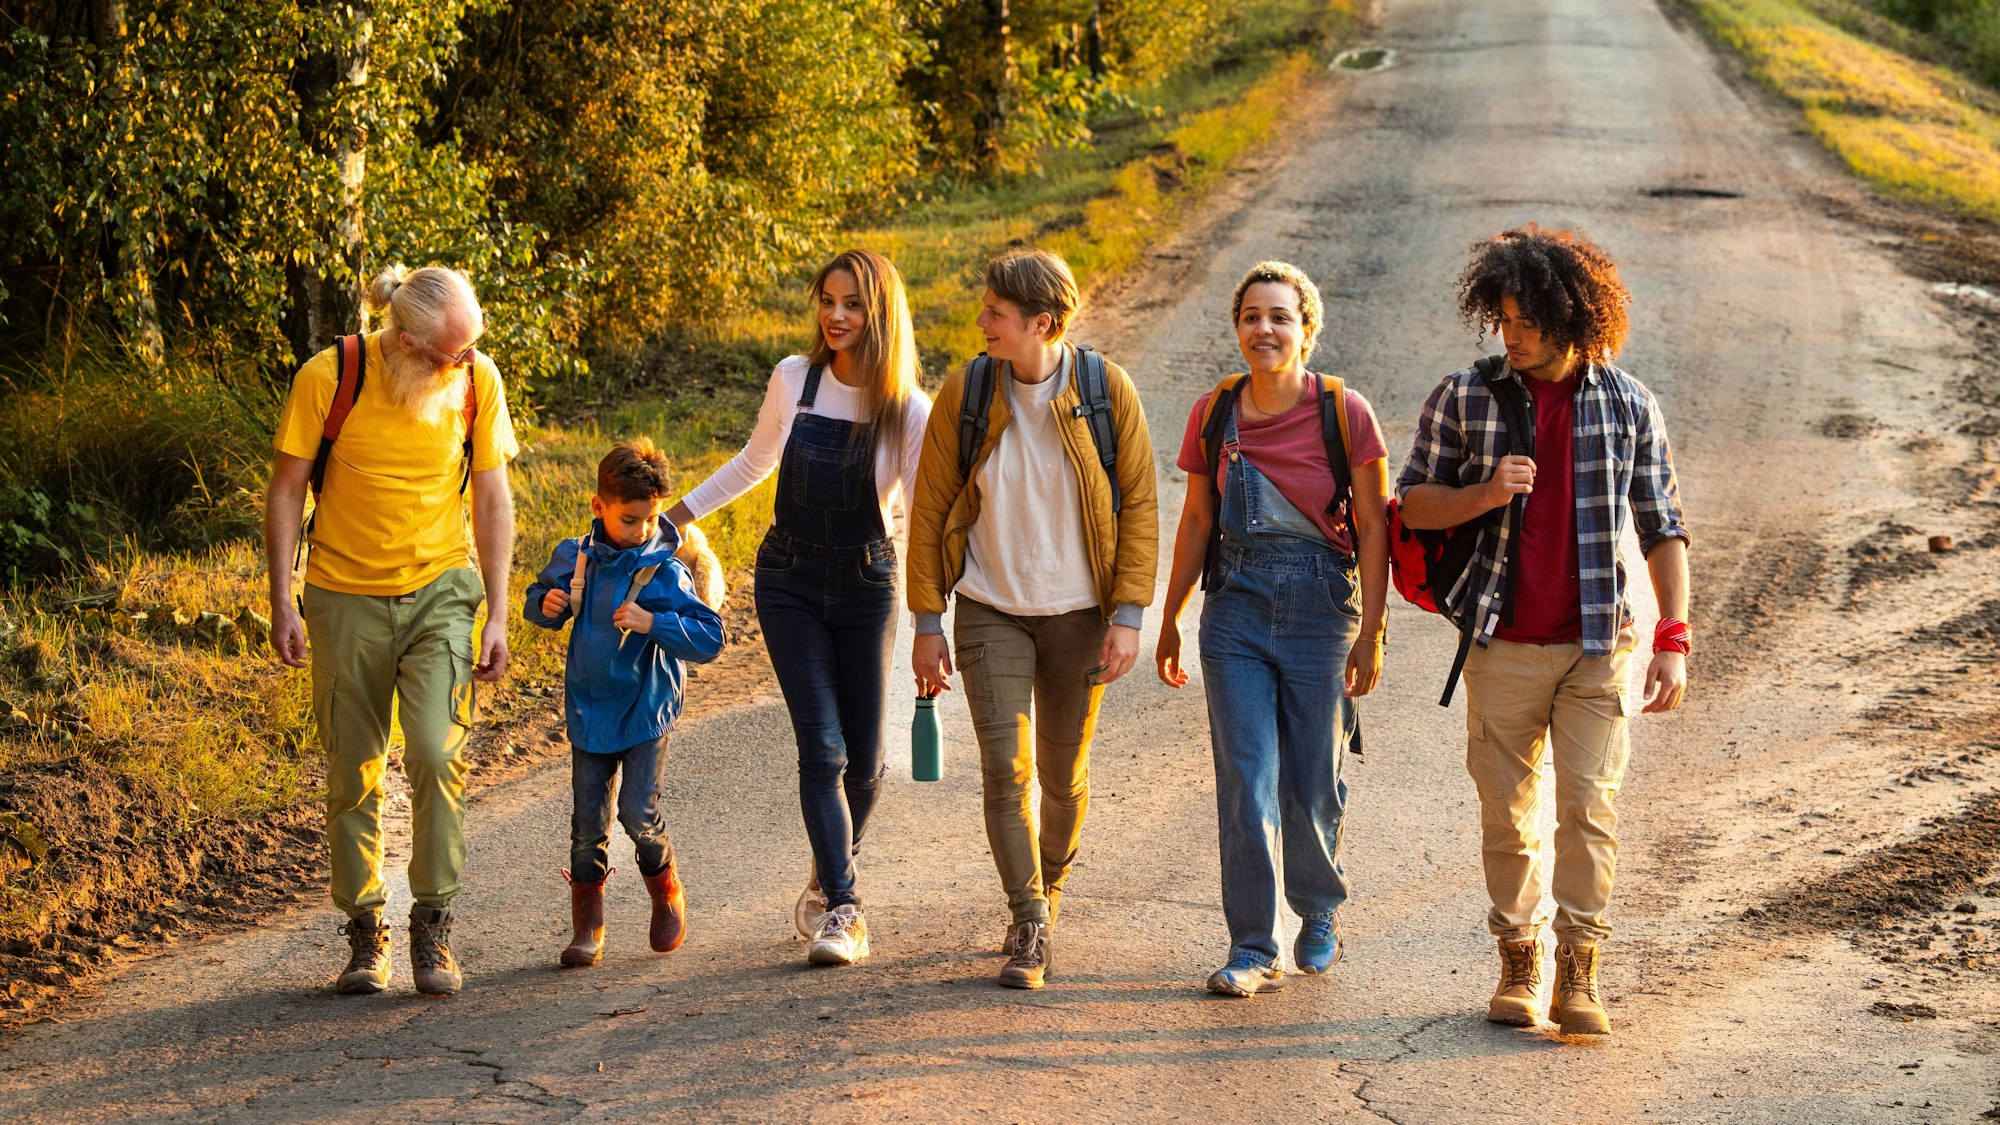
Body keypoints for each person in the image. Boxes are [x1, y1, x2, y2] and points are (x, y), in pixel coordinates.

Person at [1396, 224, 1690, 1036]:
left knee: (1590, 809)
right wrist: (1484, 493)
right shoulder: (1464, 396)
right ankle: (1519, 956)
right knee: (1509, 814)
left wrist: (1674, 637)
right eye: (1503, 319)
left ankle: (1580, 971)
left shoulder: (1629, 404)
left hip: (1601, 644)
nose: (1510, 334)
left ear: (1572, 318)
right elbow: (1410, 506)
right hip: (1502, 642)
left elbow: (1663, 526)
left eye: (1526, 321)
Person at [665, 249, 931, 966]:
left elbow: (921, 518)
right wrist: (676, 513)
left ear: (880, 316)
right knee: (823, 747)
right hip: (787, 578)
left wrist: (936, 624)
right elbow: (756, 462)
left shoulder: (907, 407)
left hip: (867, 582)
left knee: (868, 764)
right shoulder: (794, 378)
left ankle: (826, 869)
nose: (836, 316)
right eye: (828, 300)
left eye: (852, 304)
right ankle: (846, 905)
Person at [264, 264, 519, 996]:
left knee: (439, 753)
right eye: (449, 353)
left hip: (441, 588)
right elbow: (285, 488)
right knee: (354, 766)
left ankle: (434, 919)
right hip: (343, 594)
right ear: (403, 341)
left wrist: (497, 609)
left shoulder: (477, 381)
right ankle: (364, 925)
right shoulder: (331, 375)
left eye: (470, 349)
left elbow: (494, 495)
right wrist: (282, 599)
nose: (462, 363)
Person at [908, 246, 1159, 990]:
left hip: (1080, 616)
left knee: (1062, 773)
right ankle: (1028, 918)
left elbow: (1140, 505)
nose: (982, 321)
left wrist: (1130, 613)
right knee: (1003, 766)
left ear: (1041, 322)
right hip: (991, 608)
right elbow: (927, 510)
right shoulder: (969, 390)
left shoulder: (1106, 391)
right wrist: (928, 619)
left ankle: (1050, 885)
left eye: (996, 313)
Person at [1155, 261, 1390, 997]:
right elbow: (1197, 520)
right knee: (1246, 777)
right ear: (1237, 329)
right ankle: (1254, 945)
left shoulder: (1344, 412)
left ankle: (1318, 911)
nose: (1264, 328)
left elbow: (1377, 528)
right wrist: (1172, 615)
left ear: (1306, 329)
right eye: (1251, 316)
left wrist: (1373, 630)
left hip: (1323, 606)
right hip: (1236, 608)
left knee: (1312, 779)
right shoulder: (1214, 411)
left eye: (1279, 316)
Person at [523, 439, 726, 967]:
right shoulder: (575, 557)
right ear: (599, 507)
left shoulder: (662, 570)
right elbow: (536, 604)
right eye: (630, 519)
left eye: (650, 519)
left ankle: (666, 891)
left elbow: (709, 638)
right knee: (588, 822)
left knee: (637, 812)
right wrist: (547, 605)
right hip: (590, 709)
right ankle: (588, 926)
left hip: (645, 708)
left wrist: (653, 622)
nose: (641, 531)